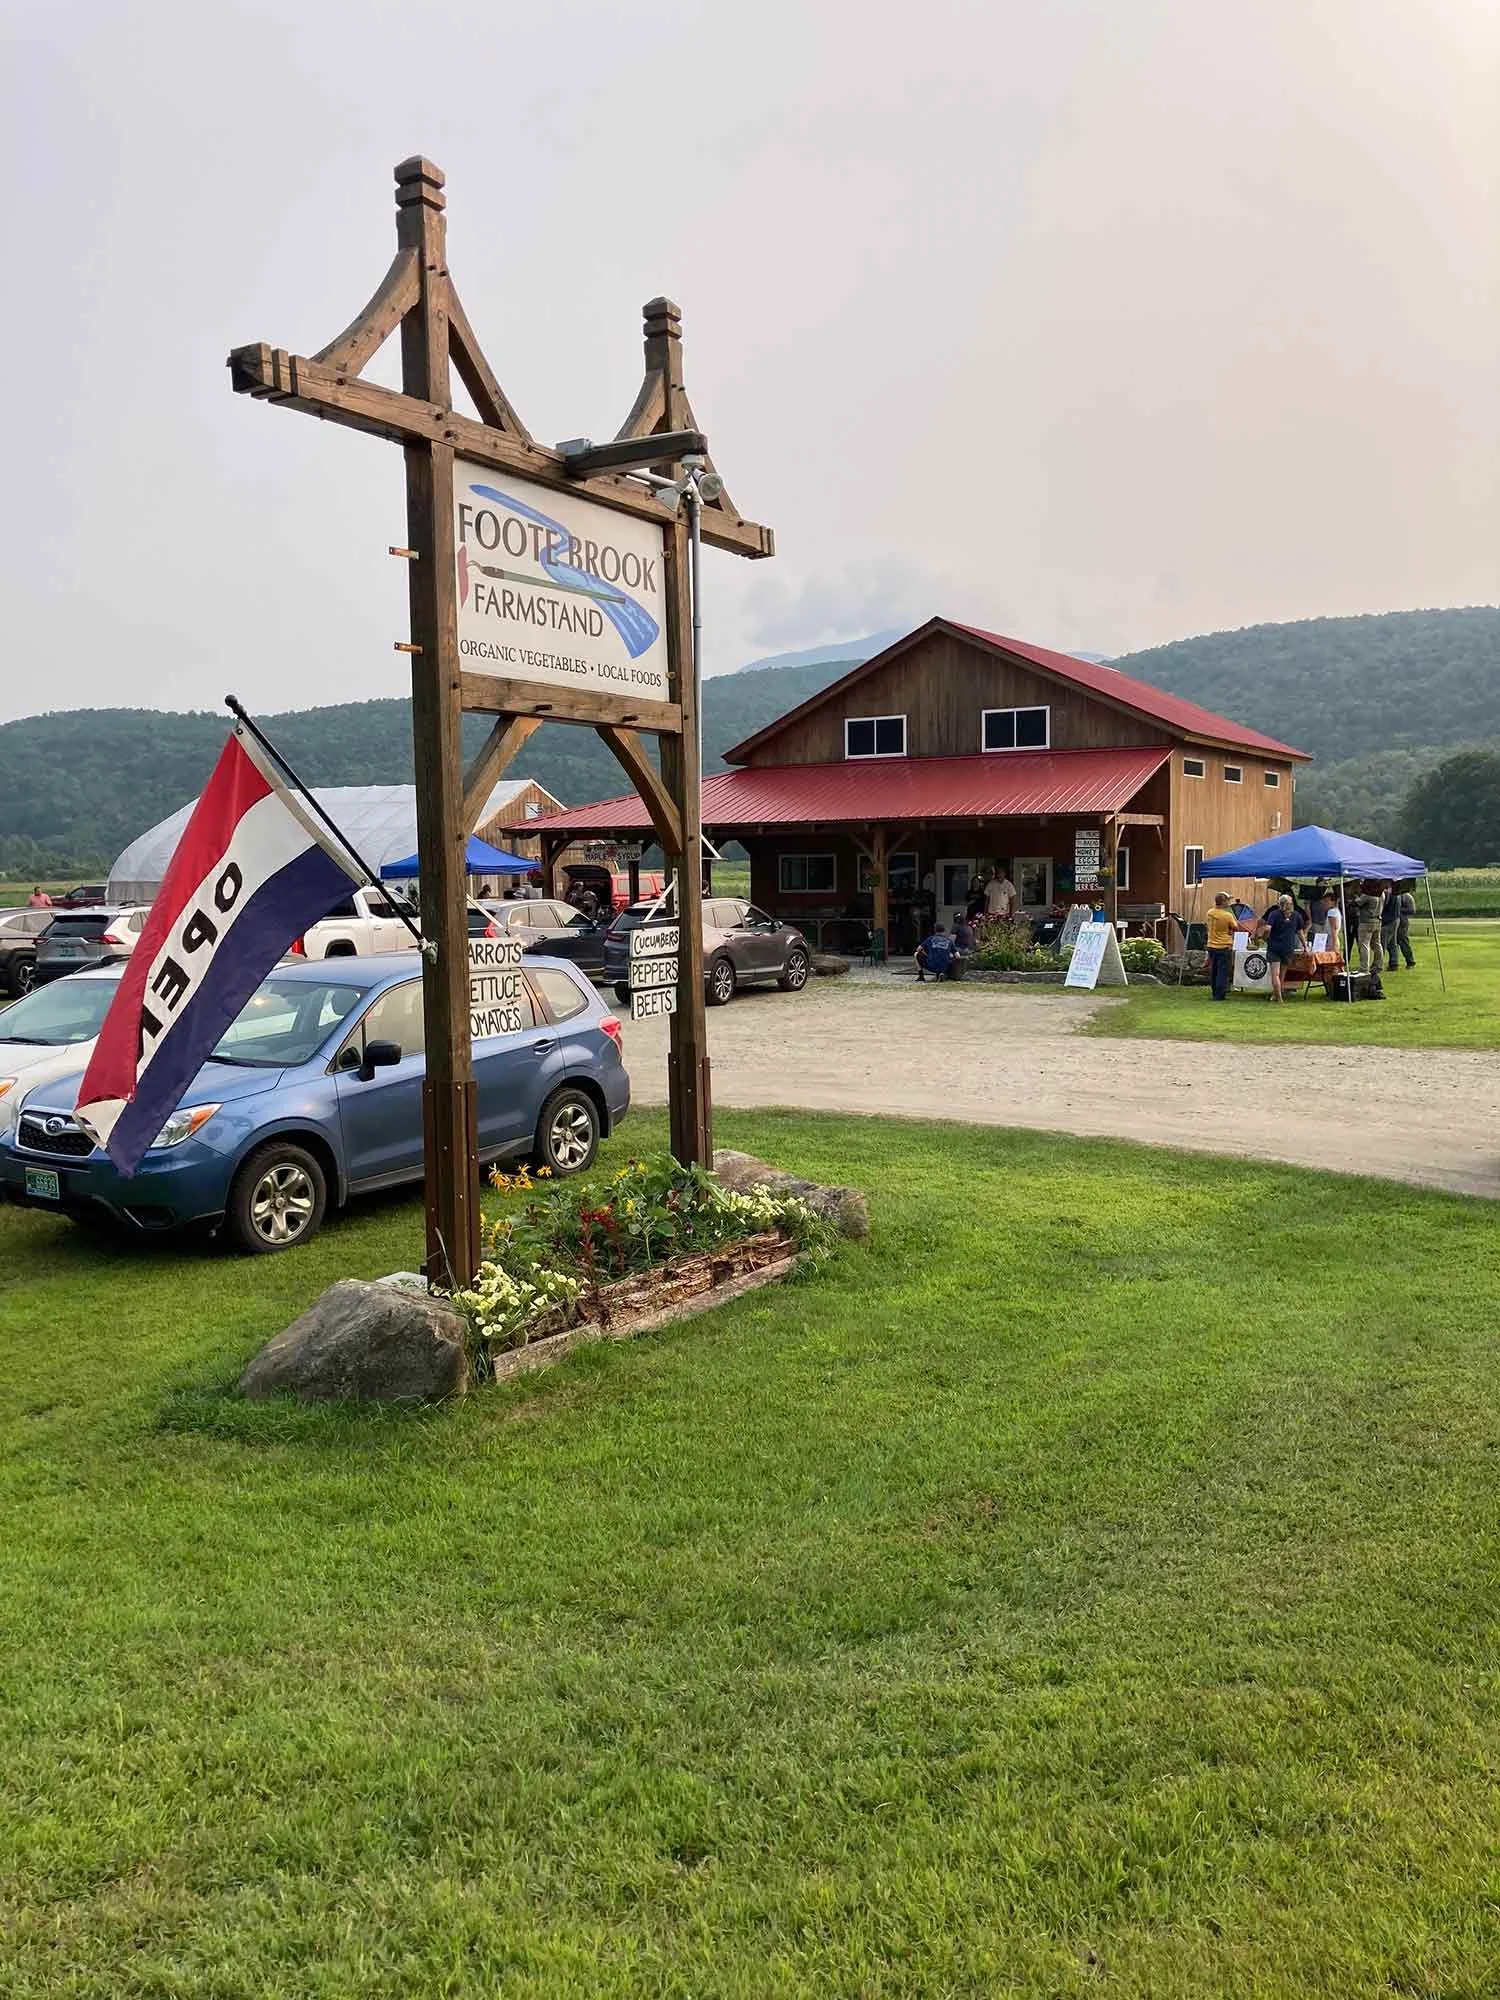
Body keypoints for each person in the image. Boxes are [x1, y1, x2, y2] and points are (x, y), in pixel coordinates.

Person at [1205, 892, 1252, 1001]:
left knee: (1214, 971)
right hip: (1224, 946)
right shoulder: (1227, 915)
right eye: (1228, 900)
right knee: (1222, 971)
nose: (1229, 902)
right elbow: (1235, 927)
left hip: (1211, 945)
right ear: (1224, 902)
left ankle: (1214, 992)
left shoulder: (1210, 913)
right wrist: (1230, 930)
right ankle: (1220, 995)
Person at [1258, 893, 1305, 1002]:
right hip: (1288, 948)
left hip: (1274, 947)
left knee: (1275, 974)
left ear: (1279, 904)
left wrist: (1264, 938)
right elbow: (1300, 932)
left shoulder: (1274, 914)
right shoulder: (1296, 915)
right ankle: (1276, 995)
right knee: (1282, 974)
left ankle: (1278, 998)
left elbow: (1267, 929)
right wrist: (1305, 945)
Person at [1353, 881, 1384, 980]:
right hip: (1378, 920)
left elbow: (1356, 903)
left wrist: (1355, 896)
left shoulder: (1368, 895)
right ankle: (1378, 965)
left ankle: (1364, 968)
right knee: (1377, 944)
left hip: (1366, 922)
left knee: (1364, 945)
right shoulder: (1381, 894)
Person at [1395, 886, 1417, 968]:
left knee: (1403, 942)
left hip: (1402, 922)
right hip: (1396, 921)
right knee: (1394, 943)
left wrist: (1399, 909)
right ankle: (1394, 961)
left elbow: (1412, 910)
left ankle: (1410, 961)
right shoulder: (1399, 895)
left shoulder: (1407, 897)